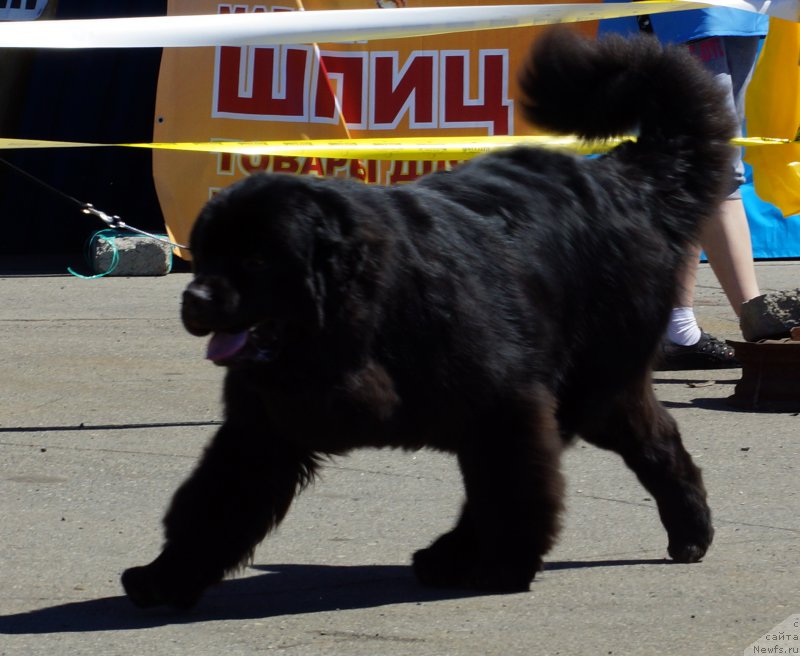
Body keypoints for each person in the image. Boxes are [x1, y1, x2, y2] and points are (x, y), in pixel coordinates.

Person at [598, 6, 769, 370]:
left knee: (689, 170)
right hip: (678, 17)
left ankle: (676, 330)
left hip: (737, 14)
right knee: (709, 168)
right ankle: (763, 331)